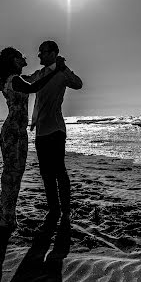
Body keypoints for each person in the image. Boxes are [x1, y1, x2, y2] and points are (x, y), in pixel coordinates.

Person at [0, 47, 65, 232]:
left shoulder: (11, 80)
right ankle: (6, 217)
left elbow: (32, 80)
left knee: (12, 174)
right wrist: (56, 71)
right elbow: (34, 87)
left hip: (15, 131)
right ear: (13, 60)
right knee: (13, 175)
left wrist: (50, 70)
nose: (24, 60)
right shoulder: (14, 80)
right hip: (14, 132)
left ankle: (4, 212)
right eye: (20, 57)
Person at [25, 40, 83, 232]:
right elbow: (26, 82)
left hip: (56, 129)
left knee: (59, 171)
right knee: (45, 173)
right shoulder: (39, 74)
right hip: (40, 130)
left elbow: (78, 84)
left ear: (53, 53)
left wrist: (64, 68)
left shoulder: (62, 73)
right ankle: (53, 210)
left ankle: (66, 211)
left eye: (42, 52)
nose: (39, 55)